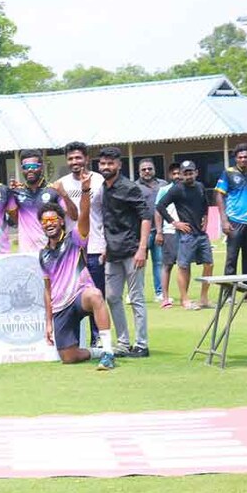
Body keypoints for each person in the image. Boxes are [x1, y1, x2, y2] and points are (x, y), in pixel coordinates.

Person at [38, 173, 116, 370]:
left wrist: (85, 190)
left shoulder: (74, 239)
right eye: (45, 221)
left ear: (61, 222)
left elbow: (83, 214)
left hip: (80, 296)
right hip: (61, 306)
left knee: (96, 295)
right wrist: (48, 323)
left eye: (53, 219)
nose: (49, 223)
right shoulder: (43, 255)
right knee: (68, 357)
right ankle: (97, 352)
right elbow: (47, 291)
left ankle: (107, 351)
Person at [99, 147, 151, 357]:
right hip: (112, 253)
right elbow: (107, 221)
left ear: (119, 165)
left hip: (132, 251)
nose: (106, 167)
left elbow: (145, 217)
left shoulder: (129, 188)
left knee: (136, 298)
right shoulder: (103, 187)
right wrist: (104, 248)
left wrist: (142, 248)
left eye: (110, 163)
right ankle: (122, 343)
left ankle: (141, 344)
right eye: (103, 163)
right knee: (112, 297)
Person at [58, 142, 105, 348]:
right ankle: (73, 341)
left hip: (95, 246)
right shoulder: (62, 184)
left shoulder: (99, 181)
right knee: (71, 296)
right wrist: (64, 195)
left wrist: (107, 245)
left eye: (78, 158)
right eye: (70, 159)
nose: (74, 162)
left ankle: (99, 339)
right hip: (72, 252)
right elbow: (72, 216)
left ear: (86, 158)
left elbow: (106, 213)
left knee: (96, 294)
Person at [156, 160, 213, 310]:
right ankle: (185, 300)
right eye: (185, 173)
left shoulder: (200, 187)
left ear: (196, 172)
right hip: (186, 235)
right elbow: (160, 206)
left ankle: (203, 298)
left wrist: (206, 220)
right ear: (181, 174)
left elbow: (205, 205)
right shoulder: (177, 189)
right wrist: (175, 223)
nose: (188, 175)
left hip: (201, 234)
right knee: (183, 266)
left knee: (209, 264)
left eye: (190, 172)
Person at [215, 143, 247, 290]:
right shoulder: (228, 173)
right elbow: (219, 195)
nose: (243, 159)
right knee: (232, 259)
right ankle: (228, 293)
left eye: (246, 157)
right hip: (234, 221)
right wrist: (224, 221)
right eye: (240, 157)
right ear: (235, 158)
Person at [14, 149, 74, 253]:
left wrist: (64, 194)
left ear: (41, 167)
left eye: (34, 166)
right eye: (26, 167)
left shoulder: (53, 190)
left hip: (51, 250)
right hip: (26, 252)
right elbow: (13, 217)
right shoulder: (17, 192)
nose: (30, 170)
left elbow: (73, 216)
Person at [136, 158, 167, 300]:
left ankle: (160, 292)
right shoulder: (134, 187)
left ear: (154, 169)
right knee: (139, 264)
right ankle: (135, 293)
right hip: (141, 231)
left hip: (160, 230)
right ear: (139, 171)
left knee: (159, 262)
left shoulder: (164, 185)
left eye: (149, 168)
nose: (147, 171)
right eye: (144, 169)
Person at [153, 162, 182, 308]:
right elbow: (158, 211)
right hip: (169, 231)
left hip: (186, 232)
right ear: (170, 175)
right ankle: (165, 298)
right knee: (167, 265)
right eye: (174, 174)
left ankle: (185, 297)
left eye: (179, 173)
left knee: (184, 266)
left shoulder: (188, 189)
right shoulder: (164, 190)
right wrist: (159, 231)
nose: (177, 176)